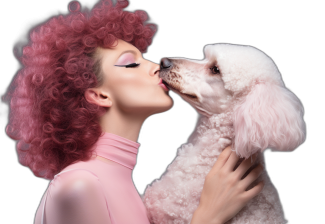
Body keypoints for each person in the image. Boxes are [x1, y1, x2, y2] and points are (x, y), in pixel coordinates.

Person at [2, 0, 265, 223]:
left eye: (144, 57)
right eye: (130, 64)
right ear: (98, 94)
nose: (155, 66)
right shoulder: (79, 186)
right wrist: (209, 214)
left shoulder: (115, 181)